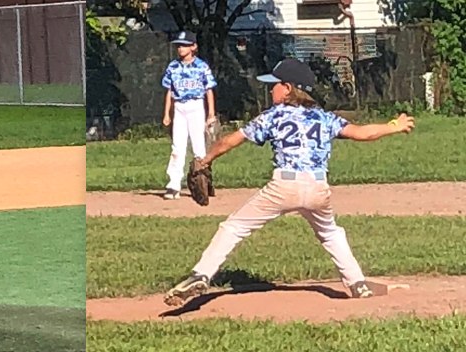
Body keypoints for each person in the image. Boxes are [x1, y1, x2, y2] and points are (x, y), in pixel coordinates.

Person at [163, 58, 415, 306]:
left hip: (284, 186)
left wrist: (206, 159)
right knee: (330, 232)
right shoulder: (324, 118)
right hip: (318, 188)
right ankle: (357, 283)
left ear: (288, 88)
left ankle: (201, 274)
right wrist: (394, 125)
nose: (271, 88)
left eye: (275, 84)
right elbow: (362, 133)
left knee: (234, 227)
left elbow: (230, 141)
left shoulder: (274, 116)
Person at [161, 31, 218, 200]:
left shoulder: (201, 66)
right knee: (177, 147)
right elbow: (169, 91)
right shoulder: (173, 66)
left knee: (199, 146)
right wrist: (166, 114)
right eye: (178, 45)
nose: (180, 48)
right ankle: (174, 184)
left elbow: (209, 90)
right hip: (179, 106)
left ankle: (203, 182)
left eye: (184, 45)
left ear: (194, 47)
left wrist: (211, 114)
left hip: (196, 105)